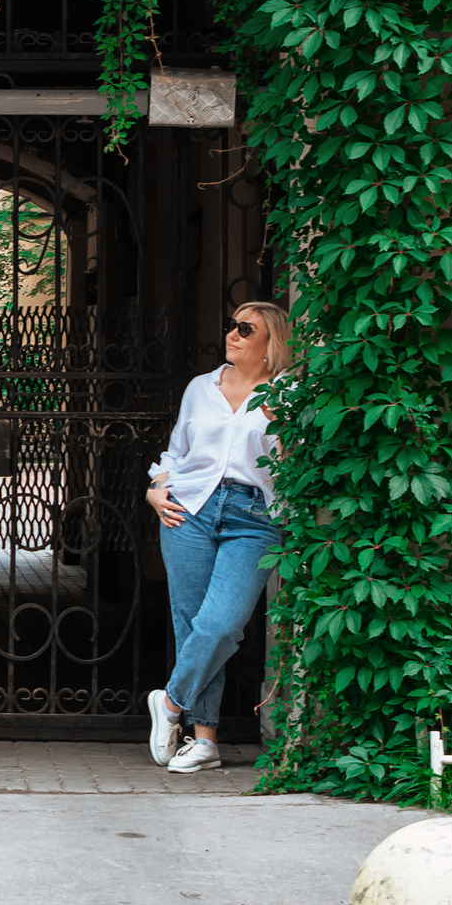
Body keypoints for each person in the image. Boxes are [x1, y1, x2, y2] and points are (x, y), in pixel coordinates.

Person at [143, 300, 291, 774]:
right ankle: (204, 741)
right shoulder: (200, 388)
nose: (233, 334)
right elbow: (176, 450)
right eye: (231, 325)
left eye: (246, 329)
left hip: (254, 516)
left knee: (222, 624)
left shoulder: (289, 393)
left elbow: (295, 468)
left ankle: (169, 704)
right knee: (191, 623)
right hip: (190, 509)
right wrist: (155, 488)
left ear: (269, 346)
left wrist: (283, 428)